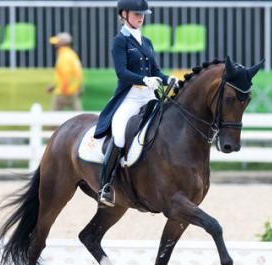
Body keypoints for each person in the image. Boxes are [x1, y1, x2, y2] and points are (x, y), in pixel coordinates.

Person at [93, 0, 178, 207]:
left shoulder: (146, 41)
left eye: (143, 14)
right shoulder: (120, 41)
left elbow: (155, 72)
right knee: (120, 135)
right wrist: (143, 80)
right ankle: (106, 186)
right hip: (129, 97)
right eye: (136, 13)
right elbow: (122, 73)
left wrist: (168, 79)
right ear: (124, 14)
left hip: (149, 96)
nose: (141, 17)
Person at [48, 32, 83, 111]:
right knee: (79, 119)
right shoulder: (72, 55)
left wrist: (63, 91)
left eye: (57, 42)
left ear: (62, 43)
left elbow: (66, 76)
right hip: (73, 91)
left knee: (51, 119)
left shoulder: (64, 57)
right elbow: (77, 74)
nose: (55, 45)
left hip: (64, 92)